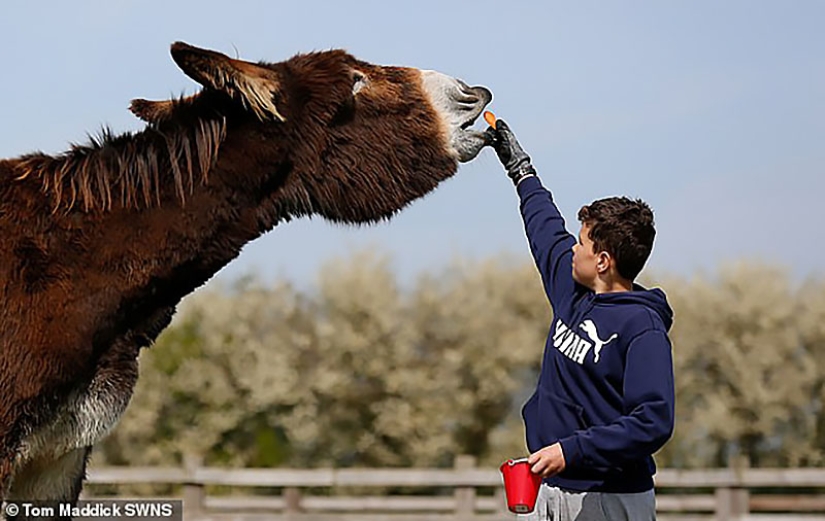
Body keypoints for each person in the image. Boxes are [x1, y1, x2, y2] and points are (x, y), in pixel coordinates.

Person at [485, 120, 675, 521]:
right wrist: (520, 169)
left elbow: (653, 421)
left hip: (609, 499)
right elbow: (545, 230)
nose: (573, 247)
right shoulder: (571, 291)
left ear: (603, 261)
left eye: (583, 241)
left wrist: (571, 451)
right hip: (544, 492)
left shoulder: (643, 328)